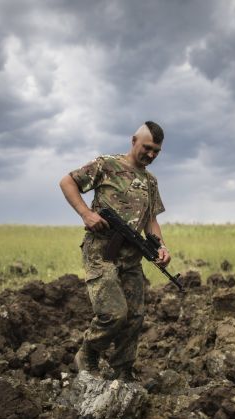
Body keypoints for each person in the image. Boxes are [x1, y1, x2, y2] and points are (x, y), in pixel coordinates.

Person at [59, 121, 171, 381]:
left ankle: (123, 371)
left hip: (131, 258)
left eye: (157, 151)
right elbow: (67, 182)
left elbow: (151, 220)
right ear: (134, 141)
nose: (151, 155)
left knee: (134, 316)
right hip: (102, 252)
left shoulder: (150, 182)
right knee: (113, 313)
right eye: (147, 148)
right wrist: (86, 214)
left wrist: (161, 247)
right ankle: (87, 355)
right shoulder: (107, 165)